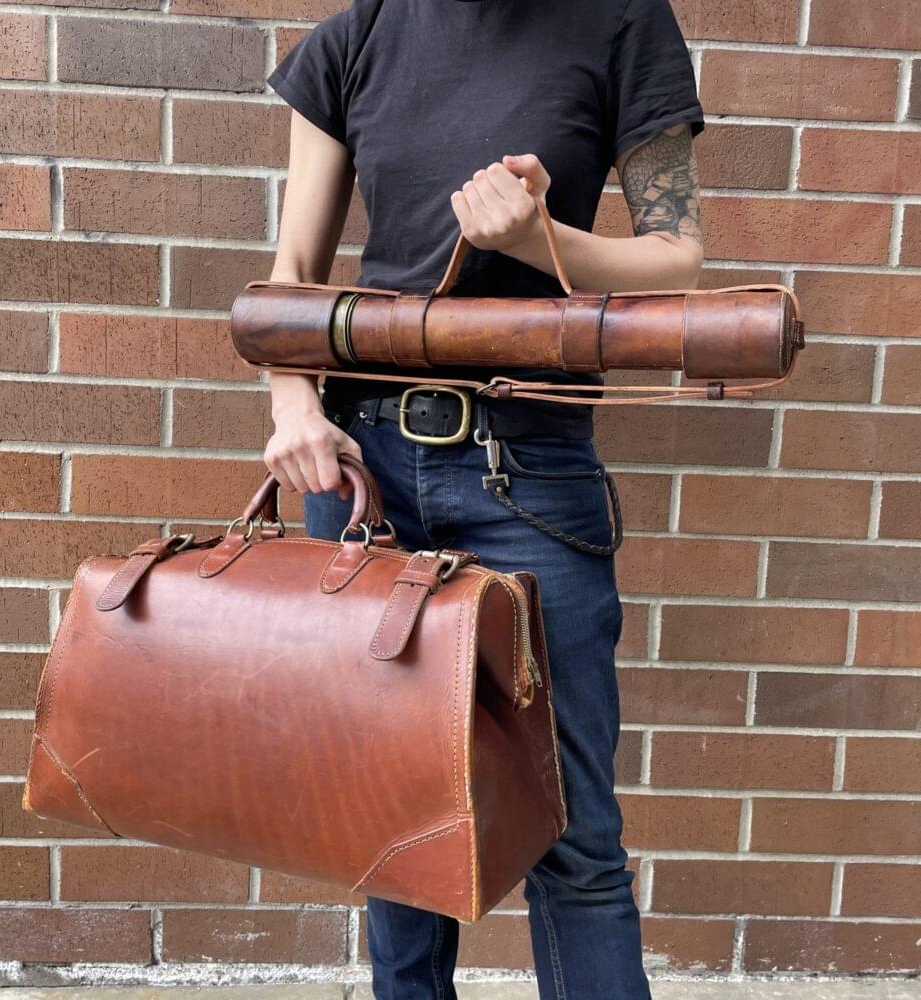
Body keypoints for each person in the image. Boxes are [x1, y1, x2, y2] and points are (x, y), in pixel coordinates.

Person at [261, 1, 705, 996]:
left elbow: (677, 257)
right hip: (361, 466)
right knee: (394, 816)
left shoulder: (621, 22)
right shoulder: (357, 34)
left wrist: (546, 239)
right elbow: (293, 275)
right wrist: (292, 402)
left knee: (572, 832)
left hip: (529, 472)